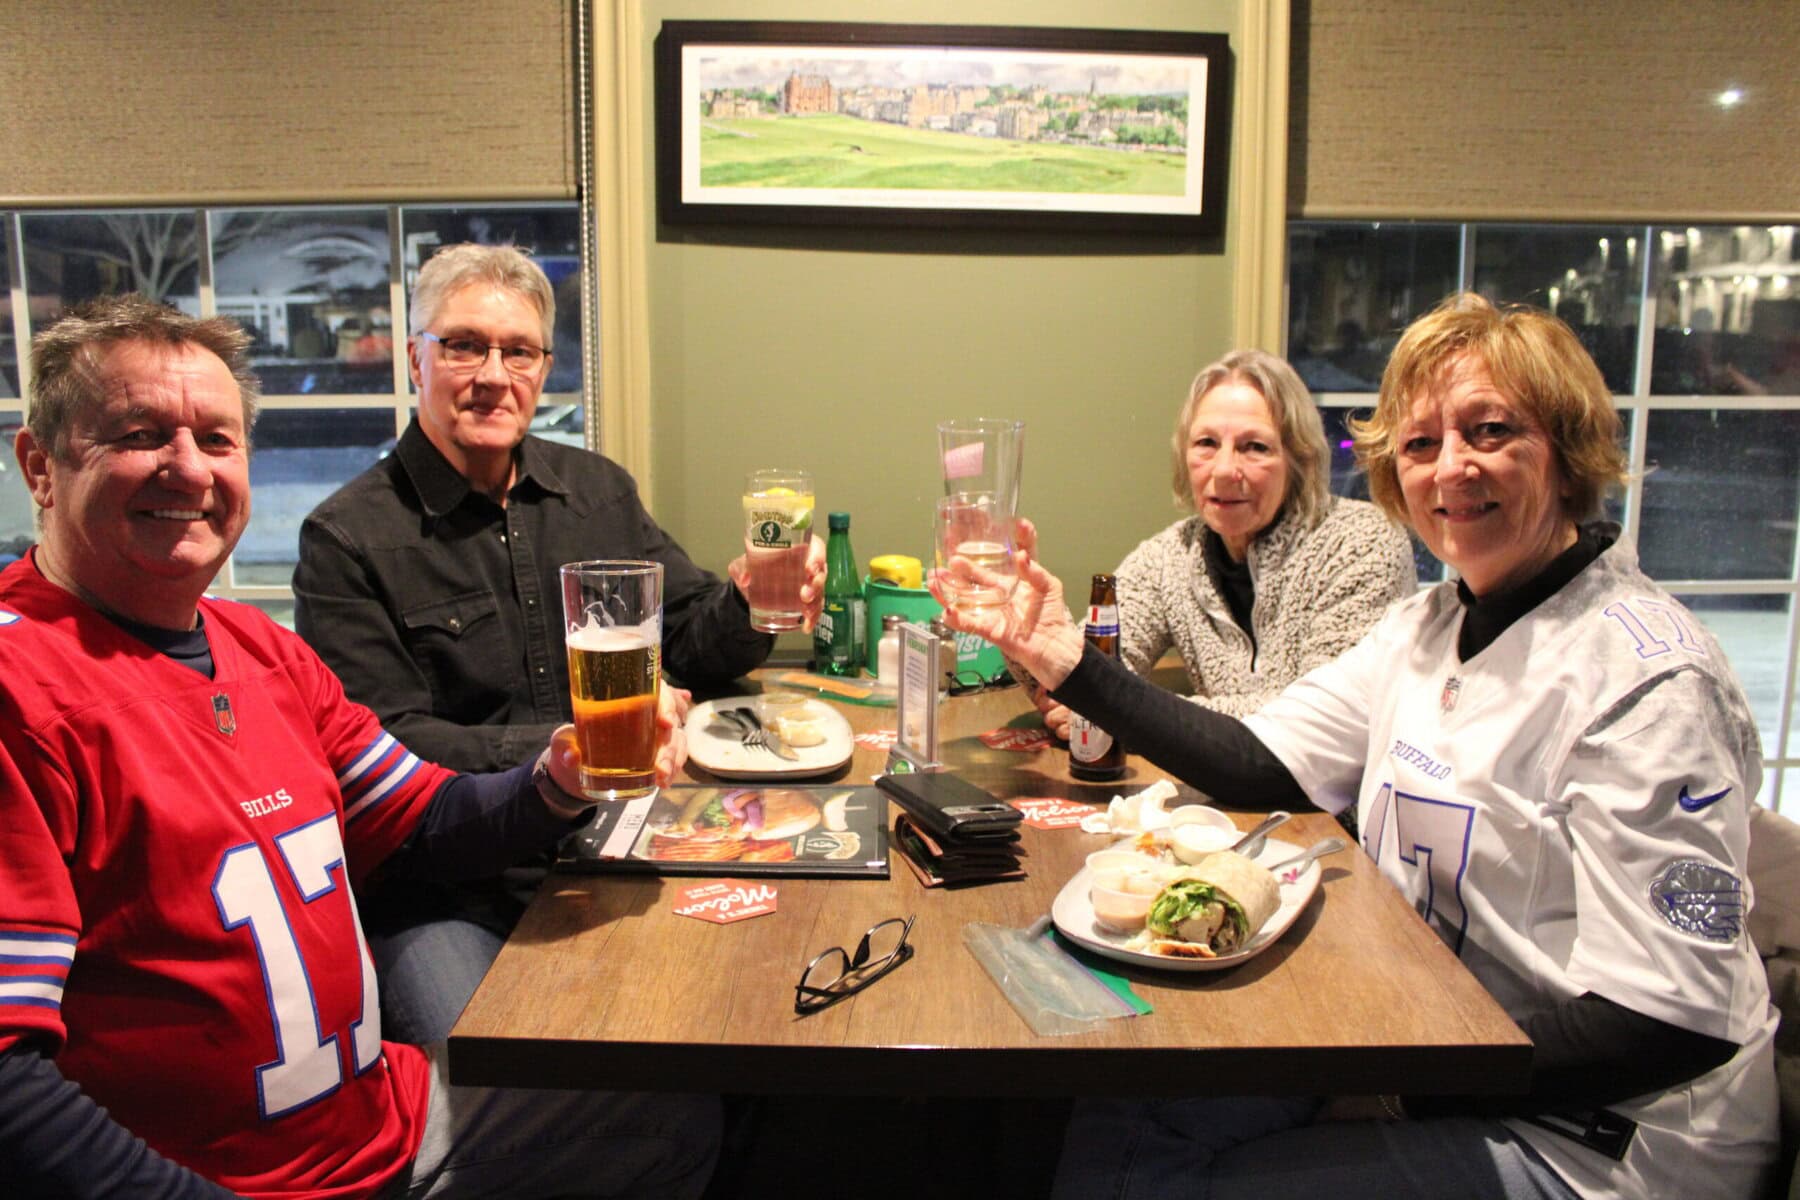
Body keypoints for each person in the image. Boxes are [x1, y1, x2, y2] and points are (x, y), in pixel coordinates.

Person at [935, 293, 1780, 1199]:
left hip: (1600, 1138)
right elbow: (1258, 763)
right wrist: (1064, 659)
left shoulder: (1646, 681)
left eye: (1489, 431)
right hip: (1430, 1039)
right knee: (1127, 1111)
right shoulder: (1430, 623)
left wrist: (1392, 1089)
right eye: (1419, 445)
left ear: (1568, 451)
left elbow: (1667, 1022)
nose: (1451, 468)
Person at [0, 295, 719, 1197]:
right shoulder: (18, 691)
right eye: (142, 435)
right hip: (237, 1182)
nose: (188, 470)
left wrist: (559, 778)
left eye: (218, 441)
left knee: (677, 1109)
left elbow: (424, 818)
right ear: (39, 465)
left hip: (385, 1123)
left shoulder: (261, 649)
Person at [292, 243, 824, 1043]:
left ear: (543, 367)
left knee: (745, 1014)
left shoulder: (596, 490)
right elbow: (379, 748)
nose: (494, 375)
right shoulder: (347, 537)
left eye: (520, 352)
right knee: (499, 1069)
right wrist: (569, 749)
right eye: (464, 345)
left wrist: (748, 603)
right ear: (415, 358)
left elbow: (689, 639)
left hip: (617, 841)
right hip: (450, 885)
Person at [1025, 349, 1413, 740]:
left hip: (1332, 799)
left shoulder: (1365, 542)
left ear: (1298, 459)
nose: (1225, 471)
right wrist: (1020, 614)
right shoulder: (1169, 557)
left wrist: (1123, 712)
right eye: (1207, 443)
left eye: (1255, 447)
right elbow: (1084, 676)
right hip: (1221, 797)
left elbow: (1319, 720)